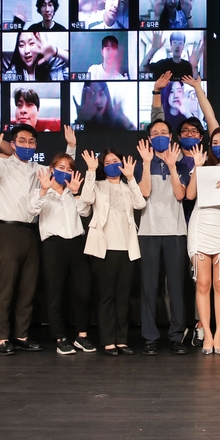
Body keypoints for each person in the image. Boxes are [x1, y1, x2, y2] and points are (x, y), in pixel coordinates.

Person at [0, 123, 68, 355]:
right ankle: (2, 337)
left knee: (28, 287)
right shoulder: (2, 164)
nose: (27, 145)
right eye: (23, 141)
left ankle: (22, 335)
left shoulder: (40, 169)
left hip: (32, 231)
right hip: (7, 231)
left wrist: (72, 147)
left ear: (36, 145)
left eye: (31, 142)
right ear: (14, 144)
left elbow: (63, 170)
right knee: (5, 288)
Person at [79, 148, 147, 355]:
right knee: (106, 296)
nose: (111, 164)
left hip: (127, 249)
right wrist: (91, 171)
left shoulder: (128, 187)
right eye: (107, 161)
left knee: (122, 296)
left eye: (115, 160)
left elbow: (140, 203)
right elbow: (85, 199)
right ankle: (108, 340)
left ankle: (121, 339)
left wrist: (131, 178)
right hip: (104, 248)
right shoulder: (98, 186)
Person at [28, 149, 94, 354]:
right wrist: (43, 190)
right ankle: (60, 338)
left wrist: (75, 193)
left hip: (76, 244)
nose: (65, 171)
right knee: (55, 293)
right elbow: (32, 211)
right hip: (53, 246)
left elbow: (85, 212)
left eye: (69, 169)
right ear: (51, 169)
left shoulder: (73, 191)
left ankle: (81, 335)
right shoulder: (42, 191)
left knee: (84, 292)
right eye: (61, 168)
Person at [135, 122, 191, 355]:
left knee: (176, 286)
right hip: (148, 231)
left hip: (175, 231)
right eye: (155, 133)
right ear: (149, 138)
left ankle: (177, 336)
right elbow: (145, 192)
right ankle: (150, 338)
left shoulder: (182, 164)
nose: (160, 136)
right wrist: (148, 163)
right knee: (149, 286)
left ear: (171, 136)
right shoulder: (139, 165)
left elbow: (180, 195)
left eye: (164, 133)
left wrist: (171, 166)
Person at [185, 126, 220, 354]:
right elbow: (189, 196)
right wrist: (197, 168)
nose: (218, 146)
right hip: (200, 223)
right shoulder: (203, 167)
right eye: (215, 142)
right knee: (203, 283)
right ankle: (207, 334)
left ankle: (219, 335)